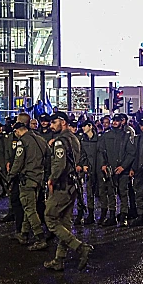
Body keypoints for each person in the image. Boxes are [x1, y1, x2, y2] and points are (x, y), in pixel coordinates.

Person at [42, 112, 94, 272]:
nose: (51, 126)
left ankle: (80, 247)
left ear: (62, 122)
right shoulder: (74, 139)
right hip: (73, 185)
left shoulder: (60, 141)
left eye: (54, 122)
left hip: (61, 185)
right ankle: (59, 259)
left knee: (50, 218)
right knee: (64, 222)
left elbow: (59, 165)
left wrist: (52, 180)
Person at [8, 120, 47, 250]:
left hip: (27, 178)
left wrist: (11, 176)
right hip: (38, 178)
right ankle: (23, 234)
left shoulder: (22, 142)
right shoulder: (40, 139)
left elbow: (18, 162)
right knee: (29, 206)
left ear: (18, 130)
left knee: (30, 209)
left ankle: (40, 237)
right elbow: (48, 157)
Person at [98, 113, 135, 227]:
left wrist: (123, 167)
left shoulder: (126, 136)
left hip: (122, 170)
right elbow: (101, 151)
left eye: (117, 120)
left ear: (121, 122)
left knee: (123, 193)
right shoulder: (106, 135)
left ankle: (123, 216)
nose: (114, 122)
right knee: (111, 193)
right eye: (113, 120)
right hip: (110, 169)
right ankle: (112, 216)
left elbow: (131, 153)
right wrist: (103, 164)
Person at [78, 120, 100, 225]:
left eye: (84, 126)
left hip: (98, 169)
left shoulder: (99, 139)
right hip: (90, 169)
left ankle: (104, 214)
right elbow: (82, 154)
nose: (83, 128)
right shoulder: (83, 140)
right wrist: (84, 164)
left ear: (90, 126)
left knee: (102, 193)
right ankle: (91, 214)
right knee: (90, 193)